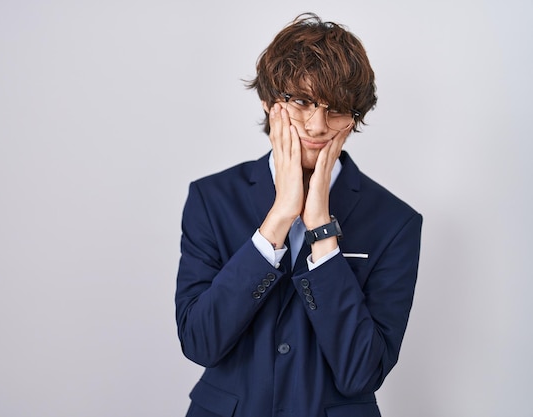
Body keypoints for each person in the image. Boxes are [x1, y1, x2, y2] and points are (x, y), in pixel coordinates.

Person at [175, 13, 422, 417]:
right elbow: (201, 341)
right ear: (269, 102)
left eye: (338, 108)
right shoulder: (211, 198)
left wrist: (322, 232)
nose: (318, 124)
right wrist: (280, 216)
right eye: (302, 101)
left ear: (354, 118)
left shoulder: (395, 222)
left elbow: (362, 371)